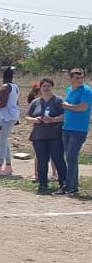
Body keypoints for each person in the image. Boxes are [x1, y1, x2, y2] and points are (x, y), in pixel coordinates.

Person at [24, 77, 66, 194]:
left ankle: (64, 184)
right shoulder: (35, 102)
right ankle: (43, 184)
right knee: (42, 160)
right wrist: (35, 119)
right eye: (44, 86)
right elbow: (27, 118)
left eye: (48, 86)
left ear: (52, 87)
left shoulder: (58, 100)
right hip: (39, 136)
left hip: (55, 135)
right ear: (40, 89)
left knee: (58, 159)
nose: (46, 88)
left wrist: (52, 120)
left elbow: (65, 116)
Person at [59, 67, 92, 195]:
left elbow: (83, 107)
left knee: (72, 157)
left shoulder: (87, 91)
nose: (80, 80)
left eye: (81, 77)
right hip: (67, 127)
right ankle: (72, 185)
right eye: (77, 78)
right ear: (71, 79)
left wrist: (67, 106)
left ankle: (70, 186)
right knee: (69, 157)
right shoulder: (69, 90)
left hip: (79, 129)